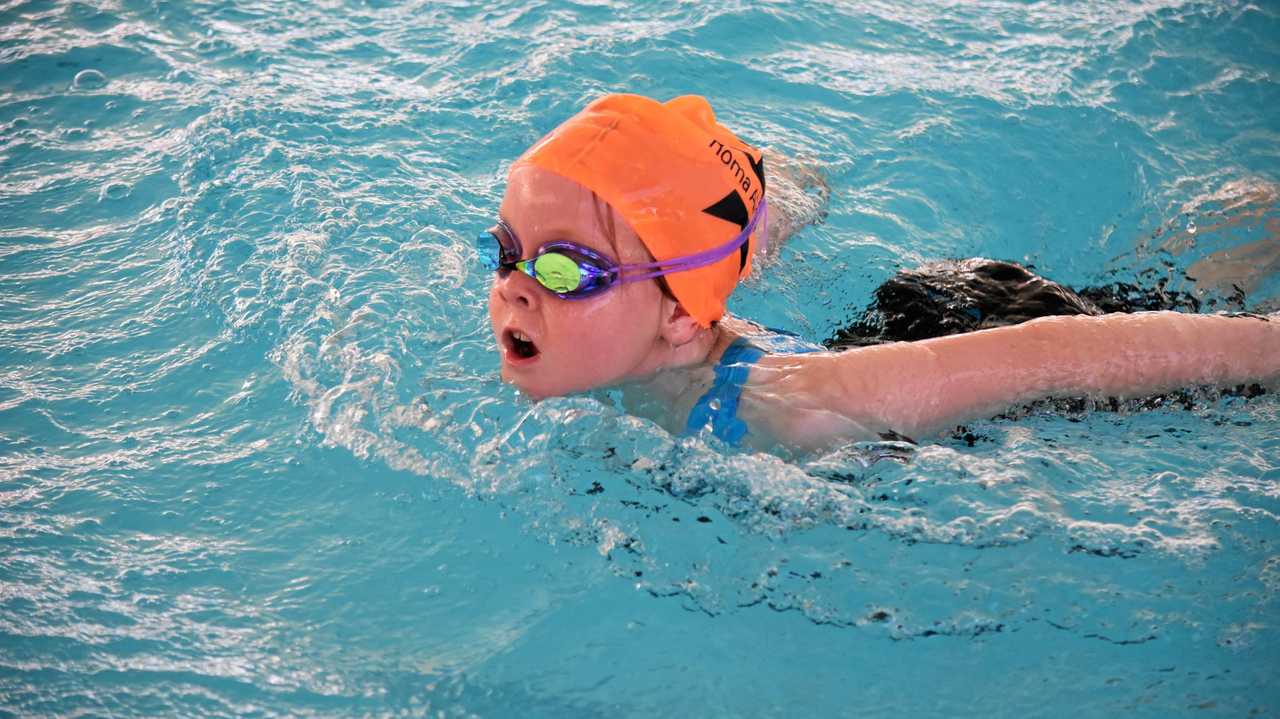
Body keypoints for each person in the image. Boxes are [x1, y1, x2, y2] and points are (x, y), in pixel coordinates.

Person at [482, 93, 1280, 452]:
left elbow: (1058, 356)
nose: (516, 284)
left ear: (682, 317)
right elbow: (714, 244)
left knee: (1189, 296)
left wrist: (1269, 348)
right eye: (507, 250)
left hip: (982, 331)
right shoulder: (664, 319)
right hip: (887, 321)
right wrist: (778, 204)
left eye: (565, 268)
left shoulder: (792, 411)